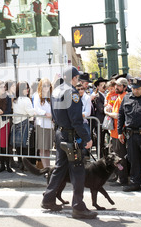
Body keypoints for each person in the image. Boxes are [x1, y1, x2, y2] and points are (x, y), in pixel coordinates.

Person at [41, 66, 96, 219]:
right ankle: (78, 206)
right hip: (71, 136)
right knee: (78, 170)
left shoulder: (56, 91)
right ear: (73, 78)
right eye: (77, 78)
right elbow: (77, 120)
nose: (78, 80)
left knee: (59, 167)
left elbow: (54, 115)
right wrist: (87, 138)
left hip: (60, 133)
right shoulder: (72, 93)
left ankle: (48, 199)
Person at [104, 77, 129, 186]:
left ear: (125, 86)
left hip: (119, 132)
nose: (116, 87)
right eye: (116, 85)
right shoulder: (119, 97)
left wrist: (107, 113)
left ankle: (122, 179)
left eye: (119, 85)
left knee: (120, 156)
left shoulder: (124, 97)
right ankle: (118, 176)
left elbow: (118, 115)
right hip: (114, 132)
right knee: (115, 154)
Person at [11, 81, 36, 171]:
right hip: (25, 123)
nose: (27, 90)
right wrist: (34, 112)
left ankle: (20, 163)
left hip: (16, 123)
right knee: (26, 145)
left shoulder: (15, 99)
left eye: (28, 88)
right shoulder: (26, 100)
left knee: (18, 145)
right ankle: (26, 165)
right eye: (25, 88)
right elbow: (31, 113)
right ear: (21, 89)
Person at [33, 78, 54, 168]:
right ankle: (45, 168)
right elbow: (36, 108)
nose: (46, 87)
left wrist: (53, 115)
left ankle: (48, 167)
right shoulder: (37, 95)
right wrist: (45, 113)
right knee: (42, 148)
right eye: (44, 85)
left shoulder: (51, 96)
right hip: (42, 124)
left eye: (48, 85)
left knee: (48, 149)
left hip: (50, 125)